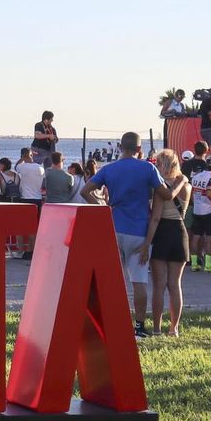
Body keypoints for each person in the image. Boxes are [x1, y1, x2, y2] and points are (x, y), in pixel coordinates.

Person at [83, 132, 163, 338]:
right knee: (139, 280)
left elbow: (86, 190)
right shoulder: (147, 168)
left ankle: (111, 322)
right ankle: (139, 326)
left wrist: (103, 209)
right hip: (139, 231)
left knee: (112, 280)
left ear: (119, 147)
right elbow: (164, 193)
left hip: (114, 228)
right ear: (139, 149)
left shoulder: (109, 169)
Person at [143, 149, 191, 337]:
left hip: (162, 232)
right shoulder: (185, 185)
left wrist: (147, 243)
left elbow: (155, 218)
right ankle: (174, 328)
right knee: (175, 284)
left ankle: (156, 328)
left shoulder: (160, 188)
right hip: (180, 232)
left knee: (159, 285)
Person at [188, 156, 211, 272]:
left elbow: (192, 193)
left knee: (196, 237)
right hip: (209, 211)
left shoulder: (197, 176)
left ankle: (194, 264)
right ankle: (208, 265)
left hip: (197, 211)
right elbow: (209, 193)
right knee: (210, 238)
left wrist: (196, 204)